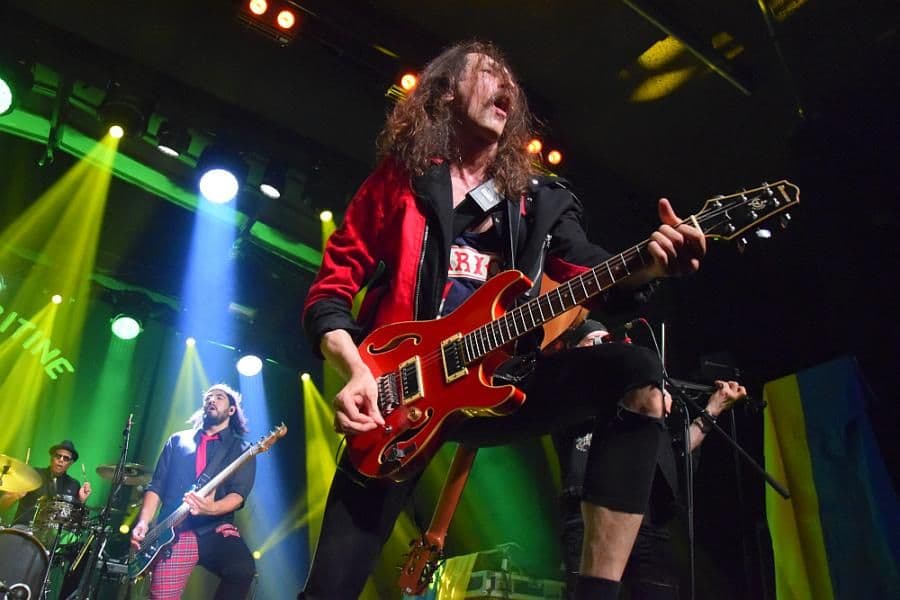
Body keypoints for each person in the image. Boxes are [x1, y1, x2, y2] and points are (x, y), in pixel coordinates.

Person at [300, 40, 707, 600]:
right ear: (447, 92)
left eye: (512, 80)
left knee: (637, 371)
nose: (508, 86)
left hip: (500, 384)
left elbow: (589, 270)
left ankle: (596, 592)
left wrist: (649, 265)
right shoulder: (401, 182)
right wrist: (356, 369)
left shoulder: (541, 201)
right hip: (398, 395)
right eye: (490, 72)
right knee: (329, 589)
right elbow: (330, 290)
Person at [552, 320, 747, 599]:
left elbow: (674, 458)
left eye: (606, 342)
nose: (602, 347)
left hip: (648, 521)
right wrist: (647, 400)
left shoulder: (640, 404)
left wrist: (712, 410)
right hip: (588, 519)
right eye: (592, 342)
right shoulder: (569, 392)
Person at [131, 384, 257, 600]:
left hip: (214, 528)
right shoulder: (178, 440)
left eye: (219, 397)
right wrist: (143, 522)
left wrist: (212, 508)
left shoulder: (242, 449)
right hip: (174, 531)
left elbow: (238, 495)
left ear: (231, 410)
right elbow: (157, 485)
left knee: (242, 569)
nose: (212, 400)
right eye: (208, 397)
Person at [0, 440, 92, 526]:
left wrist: (81, 501)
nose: (61, 460)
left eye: (66, 458)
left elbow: (75, 522)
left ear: (71, 463)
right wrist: (15, 495)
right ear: (52, 458)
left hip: (52, 535)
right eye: (58, 456)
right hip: (23, 528)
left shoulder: (73, 484)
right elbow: (2, 505)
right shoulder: (32, 475)